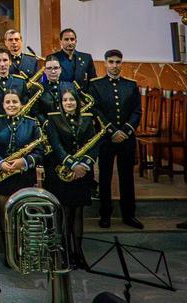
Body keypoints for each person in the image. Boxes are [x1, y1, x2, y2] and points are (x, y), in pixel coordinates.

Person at [43, 89, 106, 269]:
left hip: (82, 173)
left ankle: (78, 251)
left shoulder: (87, 119)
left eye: (72, 100)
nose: (69, 103)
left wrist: (85, 165)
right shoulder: (53, 120)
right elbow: (56, 146)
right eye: (65, 100)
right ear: (61, 103)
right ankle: (64, 253)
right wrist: (72, 164)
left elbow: (93, 145)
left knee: (78, 213)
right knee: (65, 214)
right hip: (62, 171)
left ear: (78, 102)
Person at [89, 50, 143, 230]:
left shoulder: (131, 85)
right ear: (105, 63)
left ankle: (129, 214)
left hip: (126, 139)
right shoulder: (96, 85)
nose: (114, 65)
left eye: (118, 62)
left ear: (122, 63)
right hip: (106, 138)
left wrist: (126, 130)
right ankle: (105, 214)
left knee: (127, 177)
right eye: (111, 62)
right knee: (104, 177)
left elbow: (137, 111)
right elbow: (95, 110)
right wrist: (111, 131)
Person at [0, 90, 44, 231]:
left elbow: (40, 151)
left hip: (23, 175)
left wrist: (24, 161)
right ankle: (7, 248)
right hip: (0, 175)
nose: (11, 105)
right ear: (3, 105)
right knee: (4, 214)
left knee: (22, 213)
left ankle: (21, 248)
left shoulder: (32, 124)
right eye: (8, 102)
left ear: (22, 104)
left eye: (15, 102)